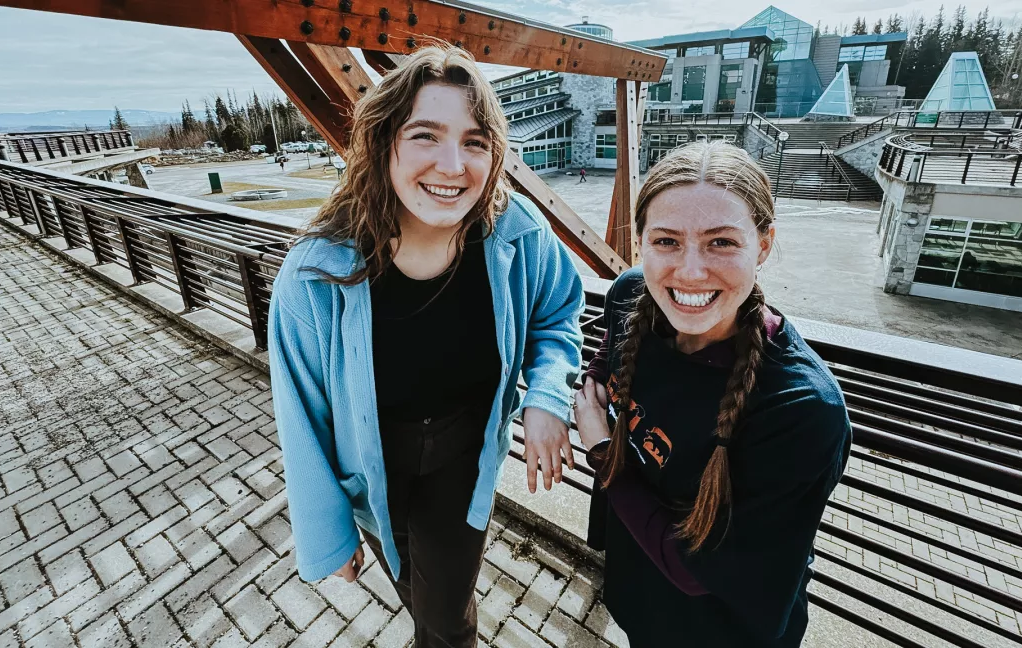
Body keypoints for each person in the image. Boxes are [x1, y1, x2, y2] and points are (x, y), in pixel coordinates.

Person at [267, 46, 584, 648]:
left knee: (444, 611)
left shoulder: (516, 234)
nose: (453, 163)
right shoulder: (316, 274)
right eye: (425, 135)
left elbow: (558, 313)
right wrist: (328, 533)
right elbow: (299, 413)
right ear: (383, 143)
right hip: (372, 465)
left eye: (474, 141)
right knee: (414, 581)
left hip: (463, 457)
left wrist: (547, 396)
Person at [573, 142, 852, 647]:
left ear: (763, 245)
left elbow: (696, 570)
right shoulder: (630, 296)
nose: (691, 272)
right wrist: (589, 383)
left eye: (721, 242)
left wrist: (600, 453)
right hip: (641, 595)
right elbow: (612, 351)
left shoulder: (801, 410)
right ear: (640, 243)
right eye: (667, 241)